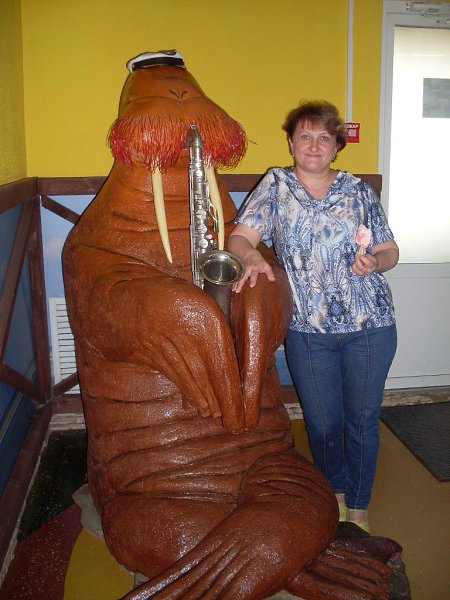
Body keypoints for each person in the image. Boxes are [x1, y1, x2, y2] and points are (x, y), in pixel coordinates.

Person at [227, 100, 398, 532]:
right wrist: (251, 256)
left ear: (337, 146)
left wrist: (376, 263)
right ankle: (333, 491)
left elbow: (389, 249)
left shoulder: (359, 190)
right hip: (307, 330)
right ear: (291, 142)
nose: (315, 145)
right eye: (305, 136)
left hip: (370, 325)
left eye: (325, 137)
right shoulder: (276, 186)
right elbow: (239, 238)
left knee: (362, 421)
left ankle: (358, 504)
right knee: (322, 424)